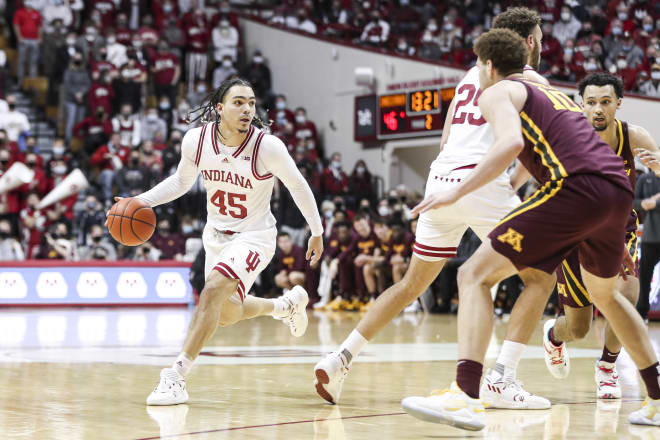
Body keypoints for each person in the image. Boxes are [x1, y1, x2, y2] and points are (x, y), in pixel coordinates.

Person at [400, 28, 660, 430]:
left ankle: (467, 396)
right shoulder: (553, 93)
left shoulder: (495, 91)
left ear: (488, 65)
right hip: (614, 194)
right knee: (608, 298)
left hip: (573, 189)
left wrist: (456, 193)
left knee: (473, 275)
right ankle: (657, 401)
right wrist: (604, 227)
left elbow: (509, 145)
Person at [314, 7, 552, 410]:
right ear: (529, 42)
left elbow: (444, 140)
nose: (542, 45)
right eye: (541, 38)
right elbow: (528, 148)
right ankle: (502, 378)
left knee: (411, 284)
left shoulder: (467, 77)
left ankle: (341, 358)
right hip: (480, 183)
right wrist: (512, 192)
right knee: (542, 274)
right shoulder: (530, 79)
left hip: (439, 181)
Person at [114, 77, 324, 406]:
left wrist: (317, 229)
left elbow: (298, 185)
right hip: (215, 236)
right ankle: (284, 306)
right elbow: (180, 183)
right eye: (238, 102)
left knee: (211, 289)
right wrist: (140, 201)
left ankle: (176, 376)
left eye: (251, 103)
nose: (247, 109)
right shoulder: (196, 141)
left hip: (254, 236)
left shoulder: (266, 146)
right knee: (226, 313)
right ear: (219, 108)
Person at [542, 73, 659, 399]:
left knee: (627, 301)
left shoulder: (634, 136)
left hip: (621, 234)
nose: (597, 109)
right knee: (577, 327)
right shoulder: (566, 139)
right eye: (591, 102)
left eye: (605, 102)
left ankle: (606, 367)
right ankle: (554, 335)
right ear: (581, 104)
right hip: (576, 237)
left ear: (618, 104)